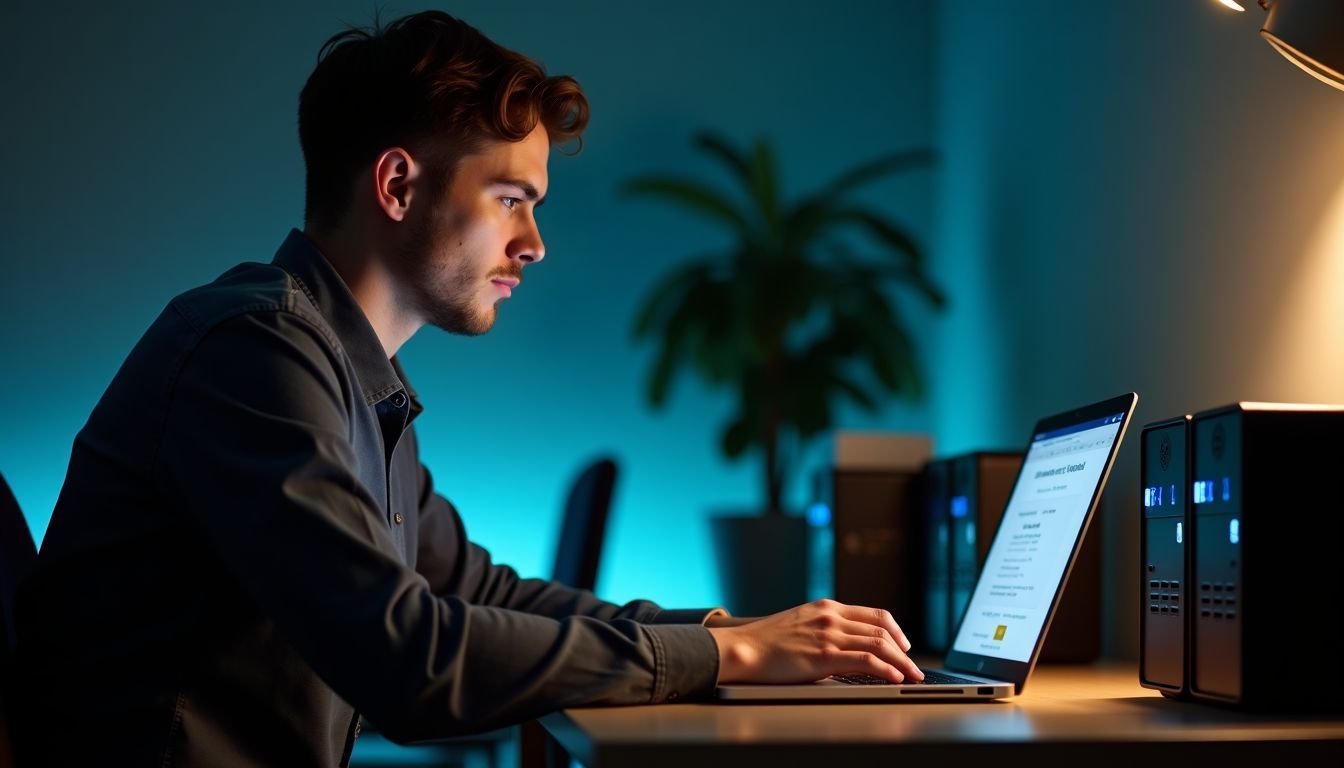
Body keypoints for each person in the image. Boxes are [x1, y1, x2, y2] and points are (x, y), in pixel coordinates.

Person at [12, 10, 922, 767]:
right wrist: (729, 653)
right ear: (399, 185)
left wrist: (736, 628)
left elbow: (478, 590)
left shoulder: (350, 373)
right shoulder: (253, 353)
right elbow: (408, 658)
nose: (533, 246)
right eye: (511, 199)